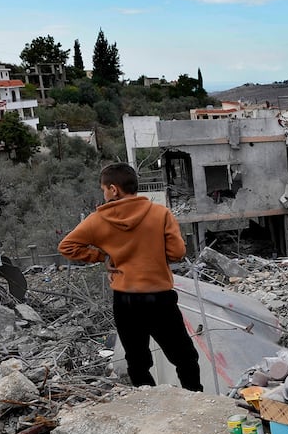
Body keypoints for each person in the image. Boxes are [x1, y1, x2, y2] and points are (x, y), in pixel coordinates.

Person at [59, 162, 203, 390]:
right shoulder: (159, 213)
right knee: (185, 357)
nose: (104, 194)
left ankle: (148, 406)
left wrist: (103, 257)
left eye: (104, 189)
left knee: (137, 360)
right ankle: (196, 401)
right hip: (160, 298)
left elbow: (67, 247)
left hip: (126, 300)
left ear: (114, 189)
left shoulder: (98, 220)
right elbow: (178, 252)